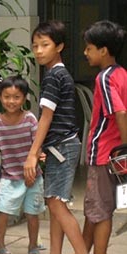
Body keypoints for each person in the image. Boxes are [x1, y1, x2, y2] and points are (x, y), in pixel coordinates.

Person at [24, 20, 87, 254]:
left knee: (56, 204)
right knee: (54, 203)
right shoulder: (60, 74)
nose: (38, 50)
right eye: (35, 46)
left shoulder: (53, 76)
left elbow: (46, 117)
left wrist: (32, 153)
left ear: (59, 46)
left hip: (61, 147)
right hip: (62, 147)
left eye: (45, 45)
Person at [0, 76, 45, 254]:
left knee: (33, 213)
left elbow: (37, 146)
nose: (11, 101)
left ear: (24, 98)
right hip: (9, 178)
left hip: (33, 177)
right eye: (7, 96)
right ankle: (1, 246)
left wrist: (37, 158)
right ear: (0, 97)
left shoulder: (30, 119)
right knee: (2, 212)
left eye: (16, 97)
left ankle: (33, 246)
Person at [82, 20, 127, 254]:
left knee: (100, 212)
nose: (85, 53)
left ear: (103, 50)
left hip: (104, 154)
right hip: (112, 155)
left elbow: (119, 111)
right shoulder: (122, 74)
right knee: (95, 209)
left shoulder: (104, 78)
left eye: (89, 48)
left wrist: (125, 149)